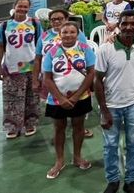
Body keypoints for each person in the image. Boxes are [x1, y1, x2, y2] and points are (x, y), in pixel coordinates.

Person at [95, 10, 134, 193]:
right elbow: (97, 80)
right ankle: (113, 180)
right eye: (124, 23)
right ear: (118, 25)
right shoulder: (106, 48)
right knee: (110, 144)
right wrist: (104, 110)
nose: (129, 27)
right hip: (111, 104)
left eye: (133, 24)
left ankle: (130, 180)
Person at [42, 22, 95, 179]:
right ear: (60, 34)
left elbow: (91, 73)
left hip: (81, 96)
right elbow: (47, 78)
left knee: (79, 126)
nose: (68, 35)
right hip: (57, 98)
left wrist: (76, 96)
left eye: (72, 32)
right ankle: (59, 161)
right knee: (59, 128)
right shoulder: (52, 51)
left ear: (78, 34)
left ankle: (77, 157)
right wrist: (60, 98)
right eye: (65, 32)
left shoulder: (85, 49)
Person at [0, 0, 42, 138]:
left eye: (25, 6)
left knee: (32, 97)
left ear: (29, 8)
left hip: (32, 67)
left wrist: (41, 67)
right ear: (14, 7)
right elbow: (0, 47)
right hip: (12, 68)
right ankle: (12, 126)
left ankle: (30, 123)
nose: (22, 9)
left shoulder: (35, 23)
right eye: (19, 6)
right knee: (11, 98)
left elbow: (40, 45)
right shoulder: (4, 26)